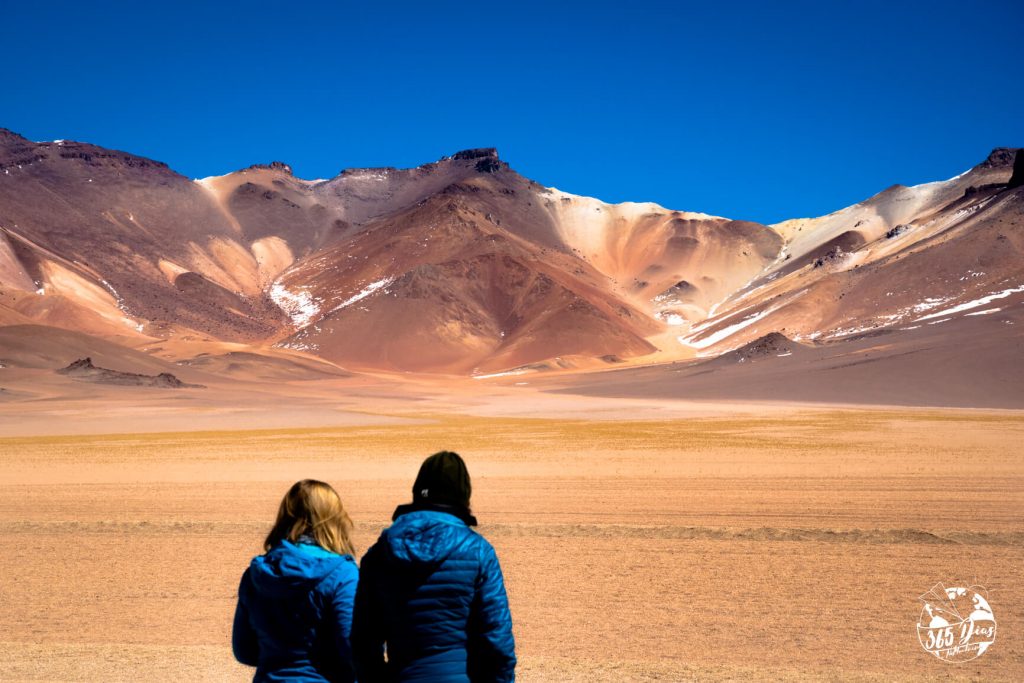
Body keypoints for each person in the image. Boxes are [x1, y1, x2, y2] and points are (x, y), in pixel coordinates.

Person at [352, 451, 516, 682]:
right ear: (463, 495)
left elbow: (363, 640)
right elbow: (497, 639)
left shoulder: (379, 553)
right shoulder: (478, 551)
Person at [233, 479, 360, 682]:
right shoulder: (343, 574)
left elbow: (244, 650)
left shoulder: (256, 574)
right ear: (335, 520)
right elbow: (352, 646)